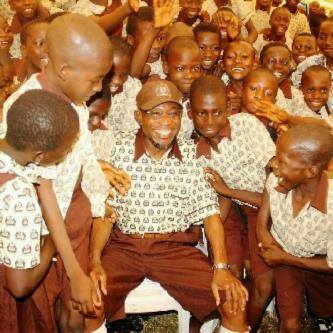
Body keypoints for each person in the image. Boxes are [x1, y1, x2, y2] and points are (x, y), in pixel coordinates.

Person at [89, 78, 249, 333]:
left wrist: (221, 267)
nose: (166, 122)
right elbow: (105, 214)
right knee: (90, 300)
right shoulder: (117, 150)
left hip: (173, 248)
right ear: (138, 117)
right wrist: (94, 260)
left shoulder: (191, 155)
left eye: (173, 114)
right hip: (125, 247)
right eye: (156, 114)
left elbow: (210, 215)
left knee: (233, 303)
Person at [1, 13, 116, 333]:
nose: (100, 87)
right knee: (44, 310)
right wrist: (73, 268)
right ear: (64, 70)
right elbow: (43, 189)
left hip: (72, 212)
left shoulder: (74, 95)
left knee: (76, 309)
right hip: (42, 226)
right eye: (95, 79)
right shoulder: (27, 108)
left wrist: (96, 192)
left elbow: (81, 156)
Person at [0, 89, 80, 333]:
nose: (68, 152)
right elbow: (20, 285)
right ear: (40, 155)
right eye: (66, 149)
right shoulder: (17, 193)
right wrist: (51, 244)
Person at [257, 124, 333, 333]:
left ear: (311, 171)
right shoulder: (276, 180)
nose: (273, 164)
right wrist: (268, 243)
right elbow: (262, 222)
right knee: (290, 324)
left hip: (319, 261)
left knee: (324, 310)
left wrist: (284, 258)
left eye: (282, 161)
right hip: (284, 256)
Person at [163, 36, 202, 138]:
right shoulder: (157, 97)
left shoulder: (199, 97)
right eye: (180, 68)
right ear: (166, 67)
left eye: (195, 68)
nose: (189, 76)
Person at [104, 35, 141, 134]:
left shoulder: (133, 87)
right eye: (110, 74)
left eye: (124, 74)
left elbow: (131, 129)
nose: (117, 81)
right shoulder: (91, 88)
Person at [128, 7, 168, 80]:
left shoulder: (167, 59)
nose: (156, 46)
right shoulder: (126, 63)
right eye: (147, 40)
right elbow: (134, 74)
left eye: (161, 38)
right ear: (131, 40)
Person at [222, 40, 257, 114]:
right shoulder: (219, 94)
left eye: (244, 57)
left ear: (254, 64)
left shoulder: (266, 90)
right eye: (230, 57)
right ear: (223, 65)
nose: (237, 61)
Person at [17, 18, 49, 83]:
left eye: (51, 42)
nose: (48, 49)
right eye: (40, 44)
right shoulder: (20, 91)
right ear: (24, 50)